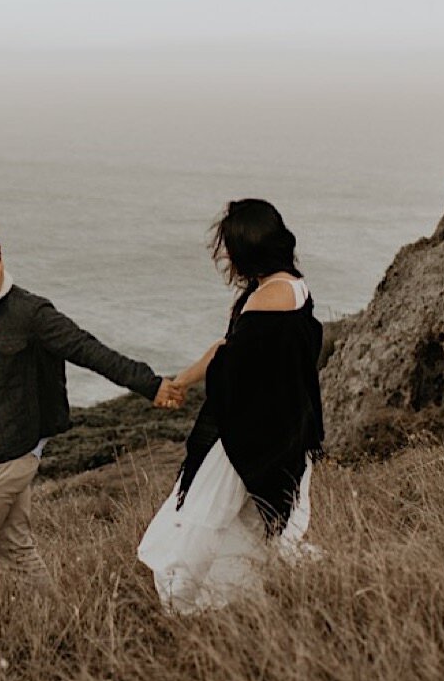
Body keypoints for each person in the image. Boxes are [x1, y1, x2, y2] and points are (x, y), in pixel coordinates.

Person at [0, 224, 182, 600]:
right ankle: (54, 617)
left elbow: (87, 348)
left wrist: (150, 383)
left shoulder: (28, 312)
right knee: (15, 546)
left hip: (10, 454)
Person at [137, 199, 325, 612]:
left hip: (251, 434)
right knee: (245, 521)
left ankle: (193, 602)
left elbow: (230, 363)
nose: (225, 256)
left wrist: (182, 385)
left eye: (230, 248)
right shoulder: (291, 284)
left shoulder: (267, 298)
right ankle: (242, 602)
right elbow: (227, 350)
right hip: (278, 427)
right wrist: (180, 382)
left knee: (207, 516)